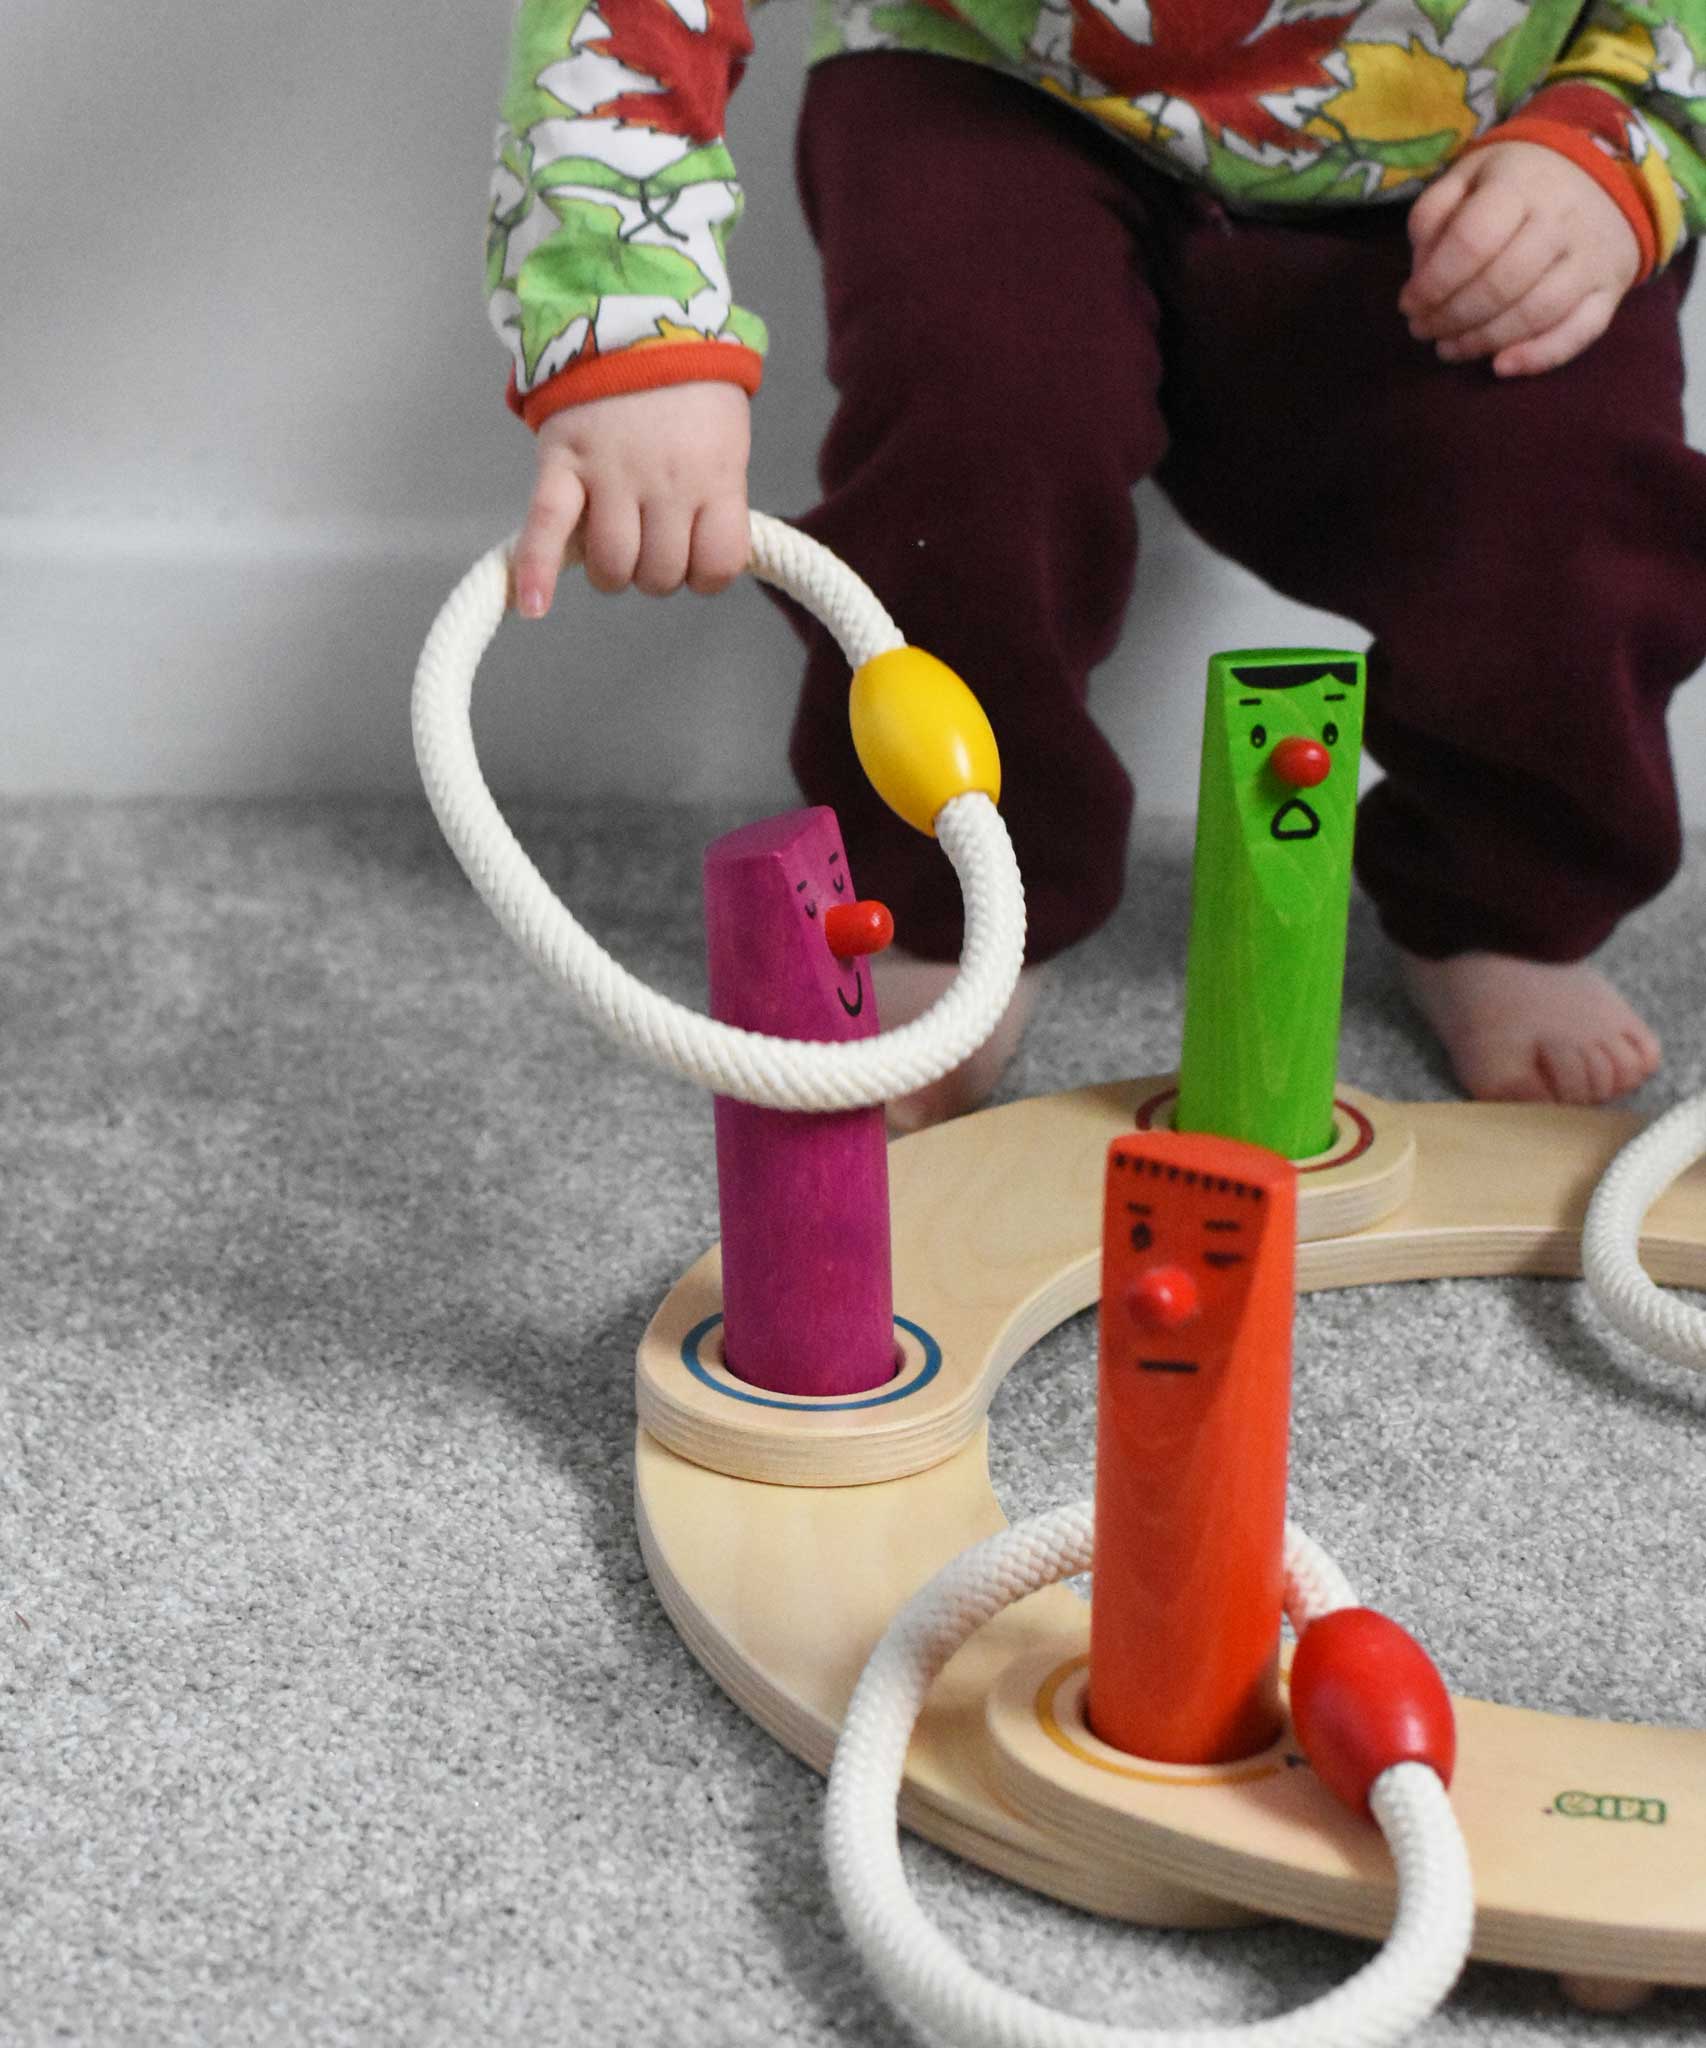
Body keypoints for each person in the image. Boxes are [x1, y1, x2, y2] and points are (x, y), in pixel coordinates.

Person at [486, 0, 1706, 1128]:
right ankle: (947, 894)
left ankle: (1505, 893)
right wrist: (627, 310)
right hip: (999, 72)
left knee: (1568, 488)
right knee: (968, 433)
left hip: (1490, 141)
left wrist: (1631, 129)